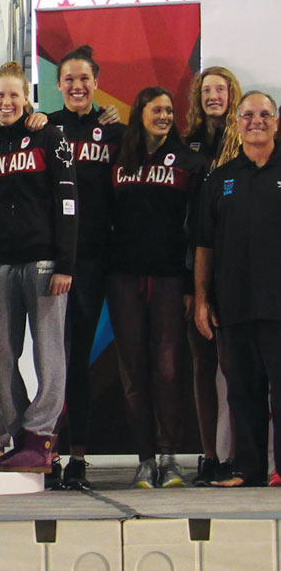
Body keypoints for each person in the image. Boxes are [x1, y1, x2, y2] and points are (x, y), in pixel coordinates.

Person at [0, 64, 77, 472]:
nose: (6, 102)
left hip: (45, 261)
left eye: (14, 95)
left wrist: (65, 262)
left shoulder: (49, 136)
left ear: (27, 97)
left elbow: (68, 202)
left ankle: (42, 436)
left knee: (48, 352)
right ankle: (21, 436)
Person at [108, 87, 205, 489]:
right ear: (140, 113)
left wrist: (190, 286)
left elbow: (197, 228)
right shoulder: (117, 157)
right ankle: (145, 459)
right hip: (122, 276)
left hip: (168, 278)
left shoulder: (190, 162)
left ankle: (170, 457)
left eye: (168, 110)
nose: (163, 115)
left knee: (167, 369)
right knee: (133, 371)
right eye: (156, 109)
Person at [45, 45, 125, 490]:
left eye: (84, 79)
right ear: (57, 86)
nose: (77, 86)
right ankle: (45, 450)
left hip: (94, 259)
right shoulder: (45, 128)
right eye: (69, 79)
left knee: (77, 359)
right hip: (51, 260)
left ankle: (77, 455)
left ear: (96, 82)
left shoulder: (114, 132)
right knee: (51, 357)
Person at [195, 91, 281, 488]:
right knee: (242, 393)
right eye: (248, 115)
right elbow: (204, 245)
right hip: (234, 305)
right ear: (237, 123)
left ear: (276, 122)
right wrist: (201, 299)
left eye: (265, 114)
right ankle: (248, 469)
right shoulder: (221, 178)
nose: (256, 121)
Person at [183, 65, 242, 486]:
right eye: (206, 90)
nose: (213, 96)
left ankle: (238, 452)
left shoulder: (248, 143)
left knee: (235, 367)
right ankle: (209, 453)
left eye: (220, 89)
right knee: (203, 365)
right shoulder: (187, 145)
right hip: (193, 263)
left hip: (239, 265)